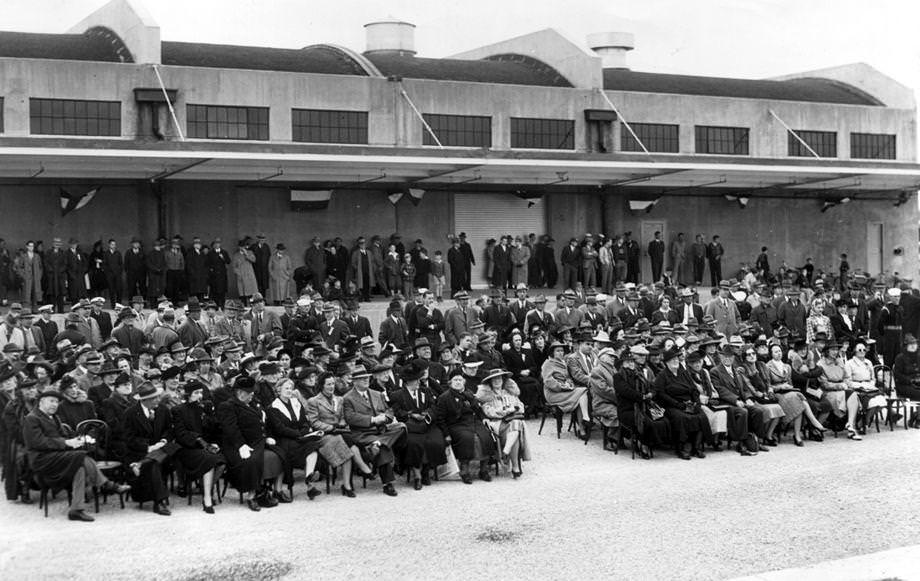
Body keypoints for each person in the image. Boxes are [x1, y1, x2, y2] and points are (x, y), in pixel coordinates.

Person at [22, 390, 131, 521]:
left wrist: (78, 440)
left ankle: (76, 510)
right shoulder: (32, 418)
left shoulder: (54, 417)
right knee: (81, 456)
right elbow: (37, 442)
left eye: (56, 402)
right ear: (41, 402)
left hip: (57, 457)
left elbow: (65, 436)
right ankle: (107, 484)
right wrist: (66, 443)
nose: (55, 404)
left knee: (80, 468)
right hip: (42, 459)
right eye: (51, 401)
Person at [217, 376, 284, 511]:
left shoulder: (254, 403)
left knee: (280, 454)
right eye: (249, 392)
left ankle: (273, 490)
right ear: (240, 393)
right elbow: (231, 429)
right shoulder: (227, 406)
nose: (252, 394)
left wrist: (267, 437)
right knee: (252, 460)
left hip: (257, 441)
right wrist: (241, 445)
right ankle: (252, 495)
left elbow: (263, 424)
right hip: (236, 445)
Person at [342, 365, 406, 496]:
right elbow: (350, 418)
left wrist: (386, 418)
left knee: (402, 427)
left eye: (366, 378)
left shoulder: (377, 394)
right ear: (354, 381)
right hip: (363, 433)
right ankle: (388, 484)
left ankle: (378, 443)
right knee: (383, 449)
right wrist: (373, 420)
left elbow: (389, 410)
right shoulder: (348, 398)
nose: (366, 380)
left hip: (382, 430)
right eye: (362, 378)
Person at [305, 372, 374, 491]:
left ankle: (348, 483)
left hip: (340, 432)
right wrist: (331, 427)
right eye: (328, 384)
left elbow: (342, 417)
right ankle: (361, 469)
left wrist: (341, 424)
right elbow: (314, 422)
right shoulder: (313, 401)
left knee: (347, 440)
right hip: (324, 435)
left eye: (333, 383)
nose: (332, 386)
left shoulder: (339, 399)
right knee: (346, 442)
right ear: (322, 385)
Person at [389, 360, 447, 489]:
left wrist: (427, 415)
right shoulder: (397, 395)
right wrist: (410, 415)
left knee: (435, 441)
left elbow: (434, 407)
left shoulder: (426, 391)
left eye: (418, 380)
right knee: (414, 444)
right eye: (415, 380)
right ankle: (417, 476)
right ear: (407, 382)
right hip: (410, 427)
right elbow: (397, 411)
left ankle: (426, 470)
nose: (418, 382)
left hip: (427, 425)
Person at [266, 378, 326, 501]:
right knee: (305, 448)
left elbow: (304, 421)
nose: (289, 391)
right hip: (284, 440)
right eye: (286, 388)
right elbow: (280, 429)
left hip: (300, 437)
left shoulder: (296, 402)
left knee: (312, 446)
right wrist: (299, 434)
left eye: (291, 388)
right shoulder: (273, 407)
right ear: (279, 390)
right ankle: (310, 485)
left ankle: (309, 479)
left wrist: (304, 431)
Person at [170, 380, 224, 513]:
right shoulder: (178, 410)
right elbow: (181, 434)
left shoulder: (204, 408)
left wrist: (213, 441)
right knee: (210, 460)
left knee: (222, 461)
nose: (200, 395)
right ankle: (207, 497)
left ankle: (206, 487)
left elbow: (214, 429)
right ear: (188, 394)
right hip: (188, 448)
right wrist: (199, 440)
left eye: (201, 392)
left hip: (206, 447)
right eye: (196, 393)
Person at [434, 370, 497, 484]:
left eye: (460, 380)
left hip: (473, 422)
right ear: (450, 383)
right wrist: (446, 434)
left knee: (485, 436)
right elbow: (440, 418)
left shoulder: (469, 394)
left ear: (464, 382)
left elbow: (478, 410)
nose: (458, 382)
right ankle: (464, 471)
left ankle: (483, 470)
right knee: (467, 438)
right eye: (455, 380)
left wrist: (484, 418)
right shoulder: (444, 397)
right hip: (456, 424)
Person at [653, 346, 711, 459]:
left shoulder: (683, 373)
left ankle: (696, 447)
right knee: (681, 418)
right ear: (666, 363)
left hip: (688, 403)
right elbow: (661, 394)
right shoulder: (662, 376)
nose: (675, 361)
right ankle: (681, 448)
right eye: (672, 360)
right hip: (672, 405)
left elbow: (694, 390)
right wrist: (677, 404)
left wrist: (697, 403)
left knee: (701, 416)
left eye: (676, 359)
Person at [613, 346, 670, 458]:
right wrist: (643, 397)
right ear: (622, 364)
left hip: (642, 406)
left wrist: (651, 393)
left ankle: (653, 442)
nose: (630, 364)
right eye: (627, 362)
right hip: (627, 409)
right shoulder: (618, 376)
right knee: (645, 422)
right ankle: (643, 444)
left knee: (663, 420)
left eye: (632, 361)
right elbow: (626, 391)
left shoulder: (639, 375)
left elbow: (651, 386)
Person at [764, 344, 826, 446]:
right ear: (771, 354)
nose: (779, 353)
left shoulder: (787, 366)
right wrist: (780, 387)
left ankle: (798, 435)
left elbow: (790, 383)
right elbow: (768, 386)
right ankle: (813, 423)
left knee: (798, 400)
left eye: (780, 351)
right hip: (777, 394)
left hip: (789, 392)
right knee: (797, 399)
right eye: (776, 352)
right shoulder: (767, 366)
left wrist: (788, 386)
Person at [476, 367, 530, 478]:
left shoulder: (509, 393)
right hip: (497, 423)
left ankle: (507, 453)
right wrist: (506, 411)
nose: (497, 381)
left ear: (503, 380)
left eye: (499, 378)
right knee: (516, 426)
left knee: (515, 424)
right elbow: (489, 412)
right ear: (490, 382)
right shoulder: (488, 396)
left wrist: (515, 409)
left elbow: (521, 406)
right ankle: (515, 465)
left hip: (512, 422)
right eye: (494, 379)